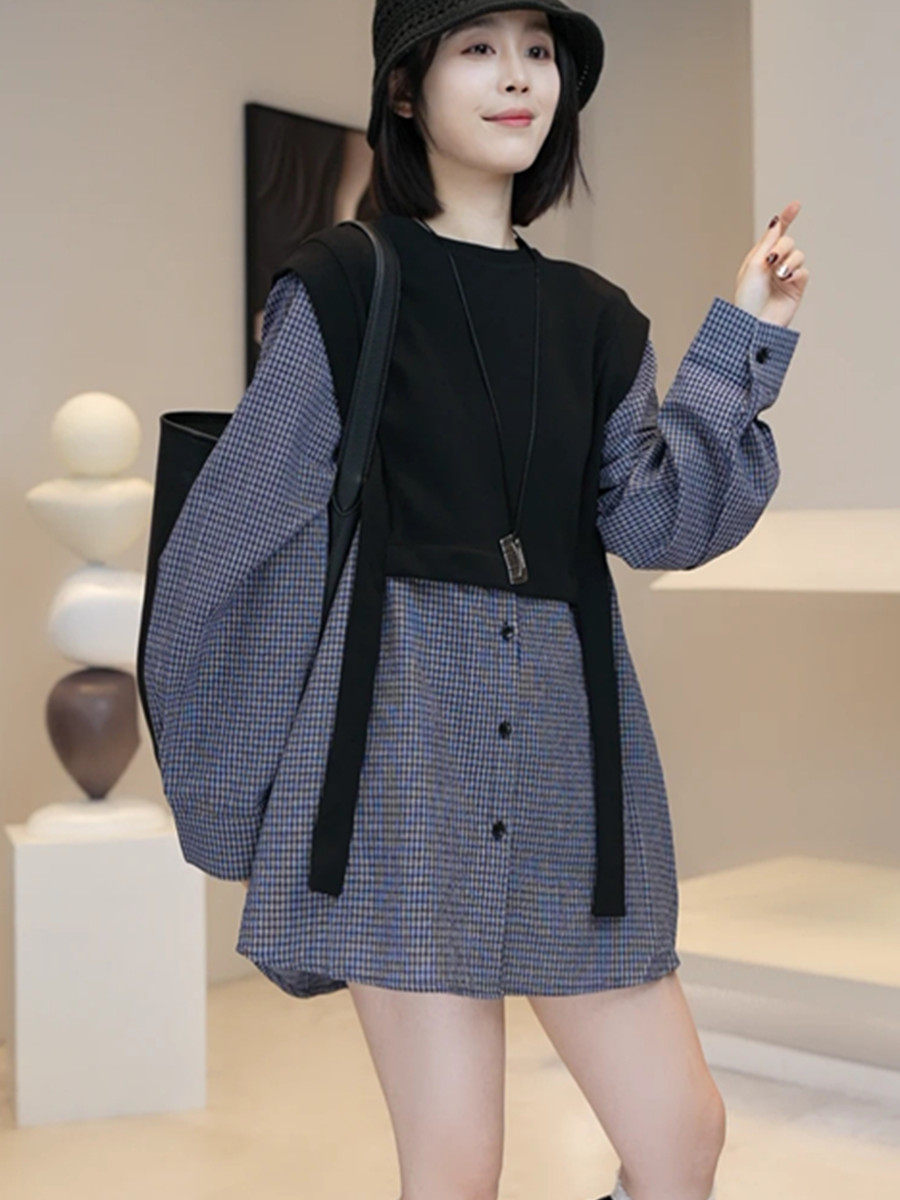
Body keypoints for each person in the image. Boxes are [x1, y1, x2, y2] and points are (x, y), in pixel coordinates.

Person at [147, 3, 807, 1198]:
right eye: (479, 49)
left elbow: (656, 522)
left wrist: (744, 343)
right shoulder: (343, 287)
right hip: (400, 768)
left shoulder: (598, 318)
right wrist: (242, 791)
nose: (519, 78)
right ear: (406, 90)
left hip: (571, 769)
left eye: (538, 53)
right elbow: (234, 540)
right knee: (455, 1171)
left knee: (681, 1141)